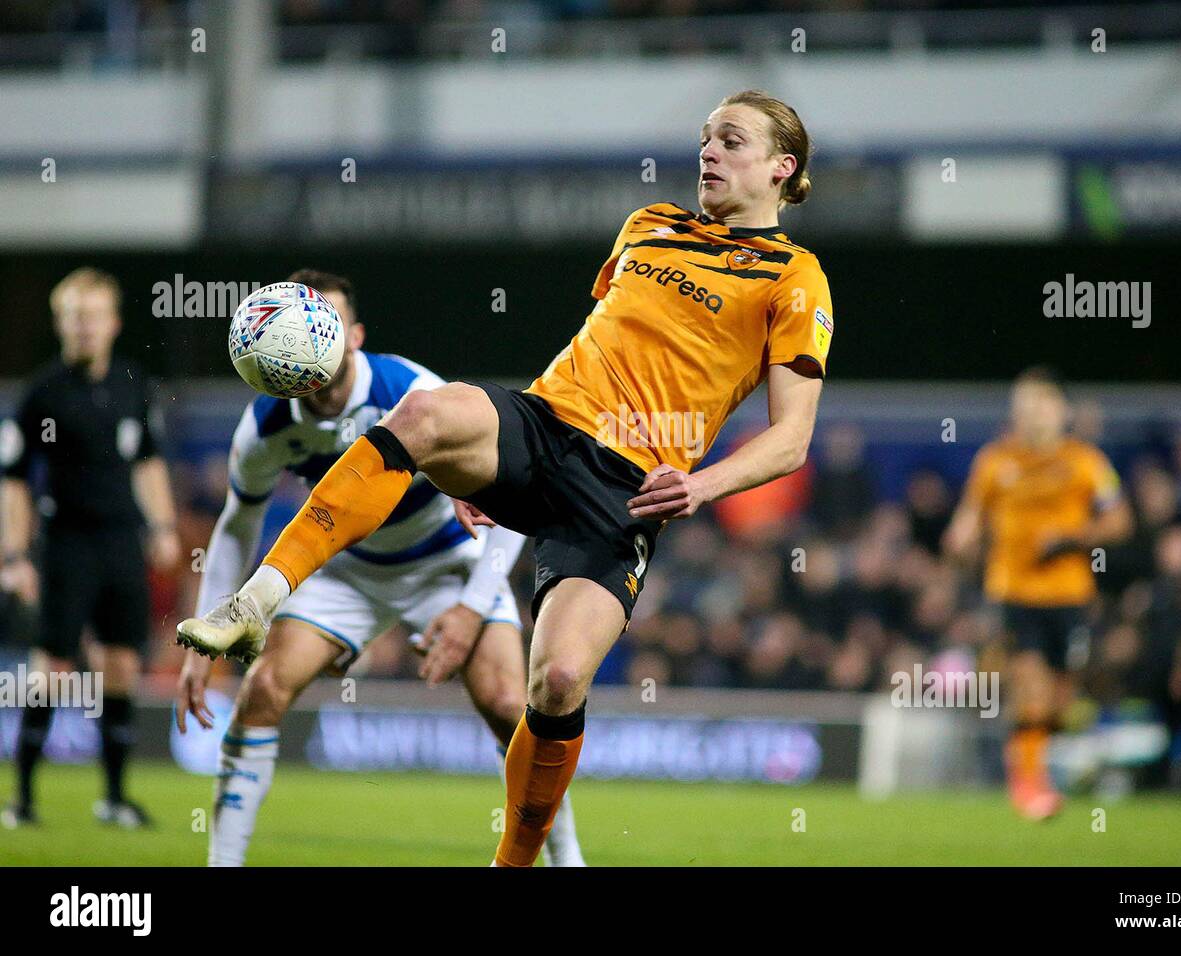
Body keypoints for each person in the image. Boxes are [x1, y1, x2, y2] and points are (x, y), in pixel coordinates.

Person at [179, 89, 834, 867]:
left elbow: (792, 439)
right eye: (705, 139)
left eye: (730, 141)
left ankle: (514, 865)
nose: (710, 152)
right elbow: (592, 348)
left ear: (781, 167)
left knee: (555, 682)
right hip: (545, 423)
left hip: (624, 488)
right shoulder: (648, 226)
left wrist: (702, 486)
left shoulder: (796, 278)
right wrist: (478, 461)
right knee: (422, 418)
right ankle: (256, 599)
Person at [175, 269, 584, 866]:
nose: (315, 336)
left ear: (354, 335)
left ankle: (567, 859)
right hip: (350, 572)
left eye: (328, 324)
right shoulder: (266, 424)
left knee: (507, 704)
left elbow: (513, 501)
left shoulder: (411, 390)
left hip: (447, 562)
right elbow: (236, 524)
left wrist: (472, 609)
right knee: (262, 689)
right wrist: (202, 638)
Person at [1, 267, 181, 829]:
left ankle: (115, 797)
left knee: (121, 666)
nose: (84, 327)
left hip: (121, 541)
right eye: (74, 317)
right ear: (61, 324)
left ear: (113, 322)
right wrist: (14, 556)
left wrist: (164, 525)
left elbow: (147, 462)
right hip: (64, 543)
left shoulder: (133, 382)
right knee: (52, 667)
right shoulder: (40, 394)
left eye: (93, 316)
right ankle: (23, 800)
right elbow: (12, 480)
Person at [944, 367, 1133, 819]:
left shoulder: (1086, 462)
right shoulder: (995, 461)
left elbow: (1120, 522)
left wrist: (1070, 538)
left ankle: (1037, 768)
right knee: (1030, 687)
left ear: (1062, 410)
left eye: (1040, 403)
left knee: (1060, 703)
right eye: (1022, 404)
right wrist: (958, 543)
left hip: (1070, 597)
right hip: (1015, 594)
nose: (1030, 413)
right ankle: (1029, 787)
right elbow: (967, 520)